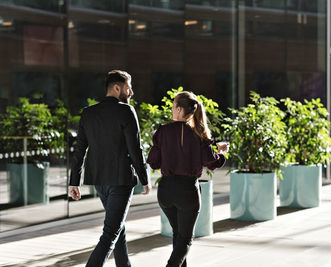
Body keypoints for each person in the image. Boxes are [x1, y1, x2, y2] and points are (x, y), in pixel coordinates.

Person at [69, 70, 150, 267]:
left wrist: (74, 182)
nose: (131, 92)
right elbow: (135, 149)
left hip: (99, 181)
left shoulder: (88, 113)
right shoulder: (126, 111)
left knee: (117, 226)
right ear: (117, 87)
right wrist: (145, 178)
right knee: (110, 233)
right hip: (120, 181)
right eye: (128, 87)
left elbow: (80, 151)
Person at [147, 91, 228, 267]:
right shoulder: (199, 135)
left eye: (173, 105)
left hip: (166, 191)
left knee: (179, 234)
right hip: (188, 193)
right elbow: (211, 162)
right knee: (185, 238)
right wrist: (221, 153)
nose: (171, 108)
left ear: (179, 108)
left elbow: (153, 162)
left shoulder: (162, 132)